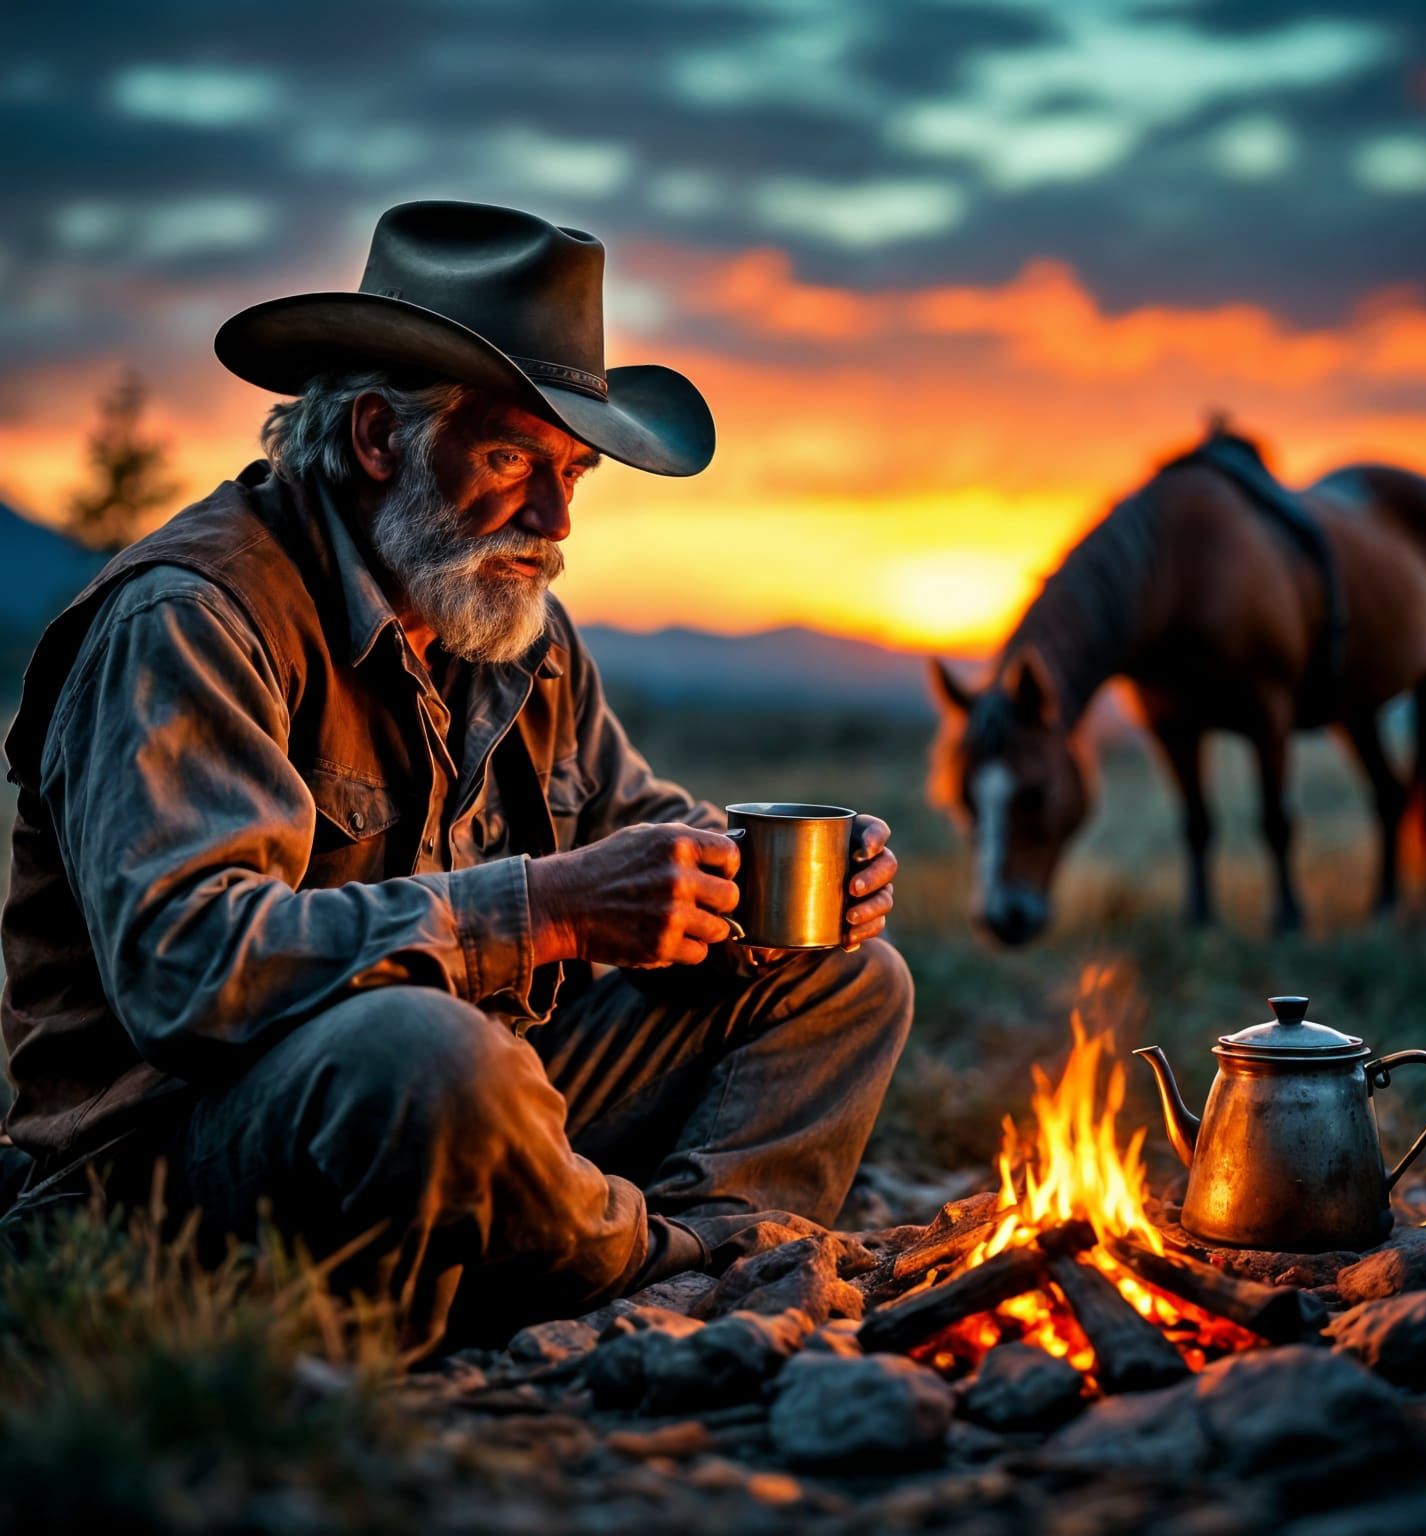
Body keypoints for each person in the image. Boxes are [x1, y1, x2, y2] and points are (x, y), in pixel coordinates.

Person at [0, 201, 912, 1346]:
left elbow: (640, 828)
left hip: (482, 1101)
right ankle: (668, 1267)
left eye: (574, 472)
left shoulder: (508, 622)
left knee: (847, 975)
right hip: (183, 1172)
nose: (554, 517)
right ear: (380, 437)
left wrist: (766, 890)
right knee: (429, 1052)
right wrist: (539, 912)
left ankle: (657, 1272)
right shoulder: (193, 619)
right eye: (510, 459)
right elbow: (186, 967)